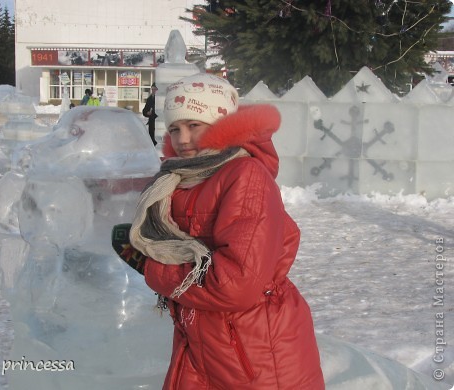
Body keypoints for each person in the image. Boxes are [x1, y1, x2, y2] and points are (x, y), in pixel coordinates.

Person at [112, 73, 324, 389]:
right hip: (203, 341)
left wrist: (153, 267)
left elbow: (236, 284)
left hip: (254, 350)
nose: (182, 139)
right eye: (174, 129)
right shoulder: (181, 179)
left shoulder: (245, 175)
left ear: (222, 126)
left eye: (194, 125)